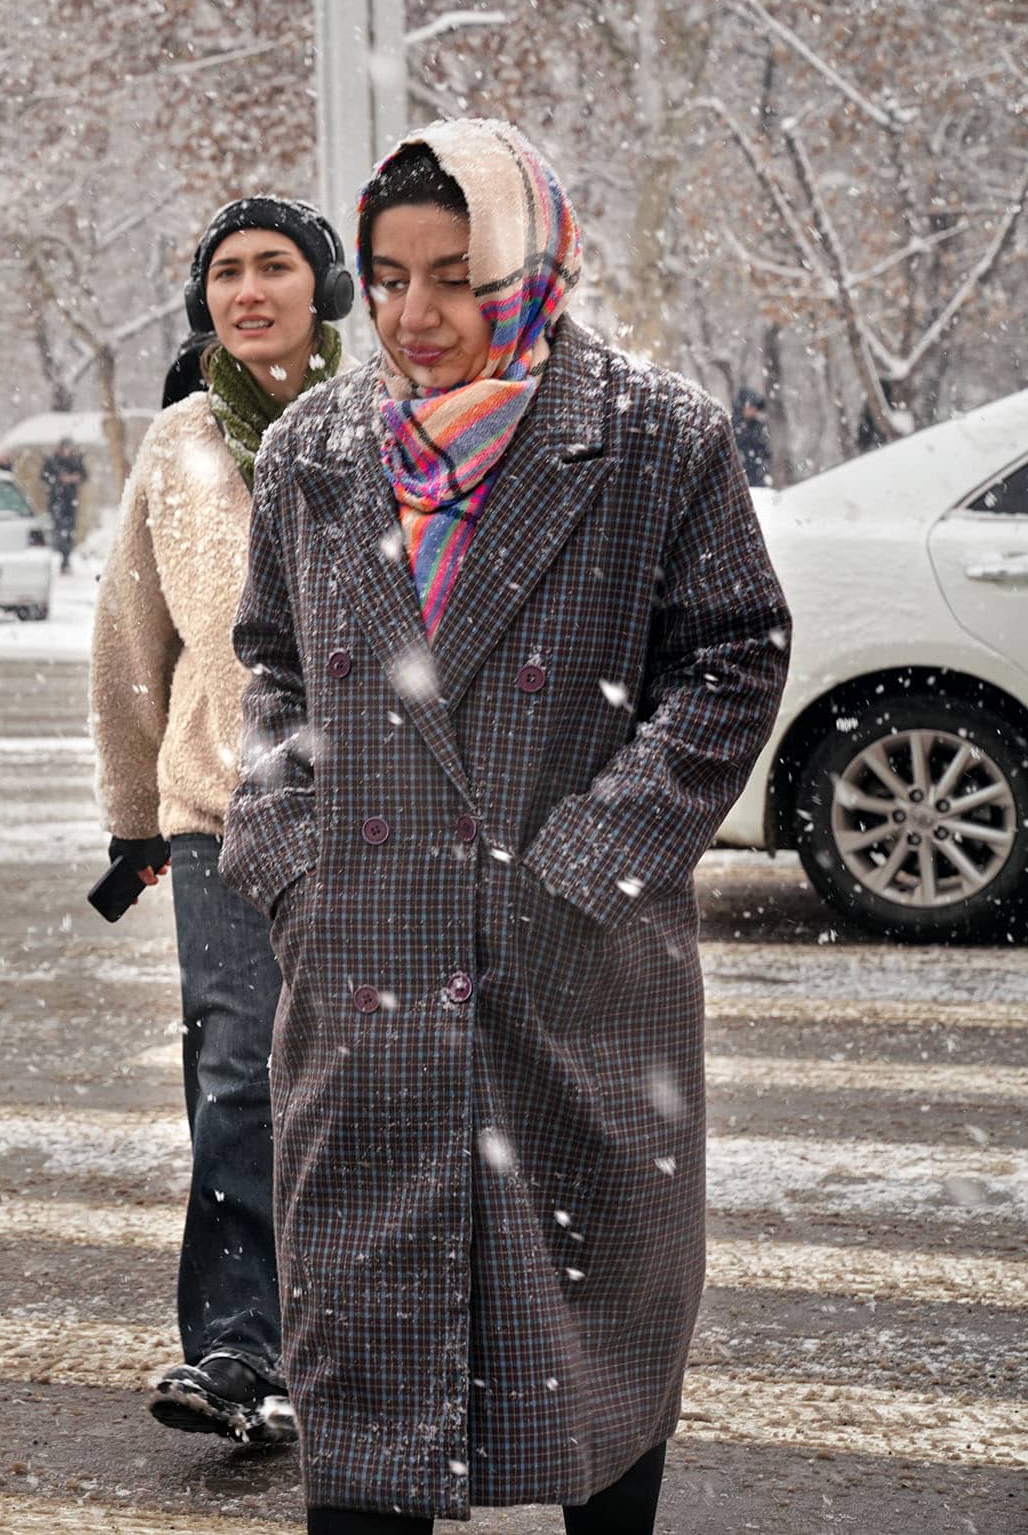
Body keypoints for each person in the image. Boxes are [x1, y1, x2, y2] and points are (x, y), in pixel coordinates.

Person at [223, 121, 789, 1532]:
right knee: (364, 1380)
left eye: (457, 276)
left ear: (530, 267)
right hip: (364, 981)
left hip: (573, 979)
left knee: (595, 1361)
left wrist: (589, 862)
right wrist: (291, 858)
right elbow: (272, 664)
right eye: (390, 277)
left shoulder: (655, 438)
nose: (417, 316)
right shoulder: (313, 444)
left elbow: (732, 656)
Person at [89, 195, 353, 1445]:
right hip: (221, 809)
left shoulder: (388, 421)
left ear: (325, 287)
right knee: (237, 1079)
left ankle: (365, 1332)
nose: (249, 292)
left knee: (368, 1082)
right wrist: (132, 815)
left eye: (276, 268)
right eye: (227, 273)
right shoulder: (182, 441)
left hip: (375, 812)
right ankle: (239, 1349)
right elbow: (131, 640)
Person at [41, 438, 86, 571]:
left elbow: (83, 476)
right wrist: (58, 479)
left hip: (70, 501)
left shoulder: (76, 461)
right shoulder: (52, 461)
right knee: (57, 529)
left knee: (69, 530)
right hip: (56, 500)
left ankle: (66, 558)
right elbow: (44, 477)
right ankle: (59, 552)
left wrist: (74, 478)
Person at [734, 387, 773, 490]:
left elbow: (766, 451)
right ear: (742, 407)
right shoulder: (733, 428)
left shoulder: (758, 426)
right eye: (750, 406)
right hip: (743, 482)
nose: (753, 409)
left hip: (760, 478)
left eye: (754, 406)